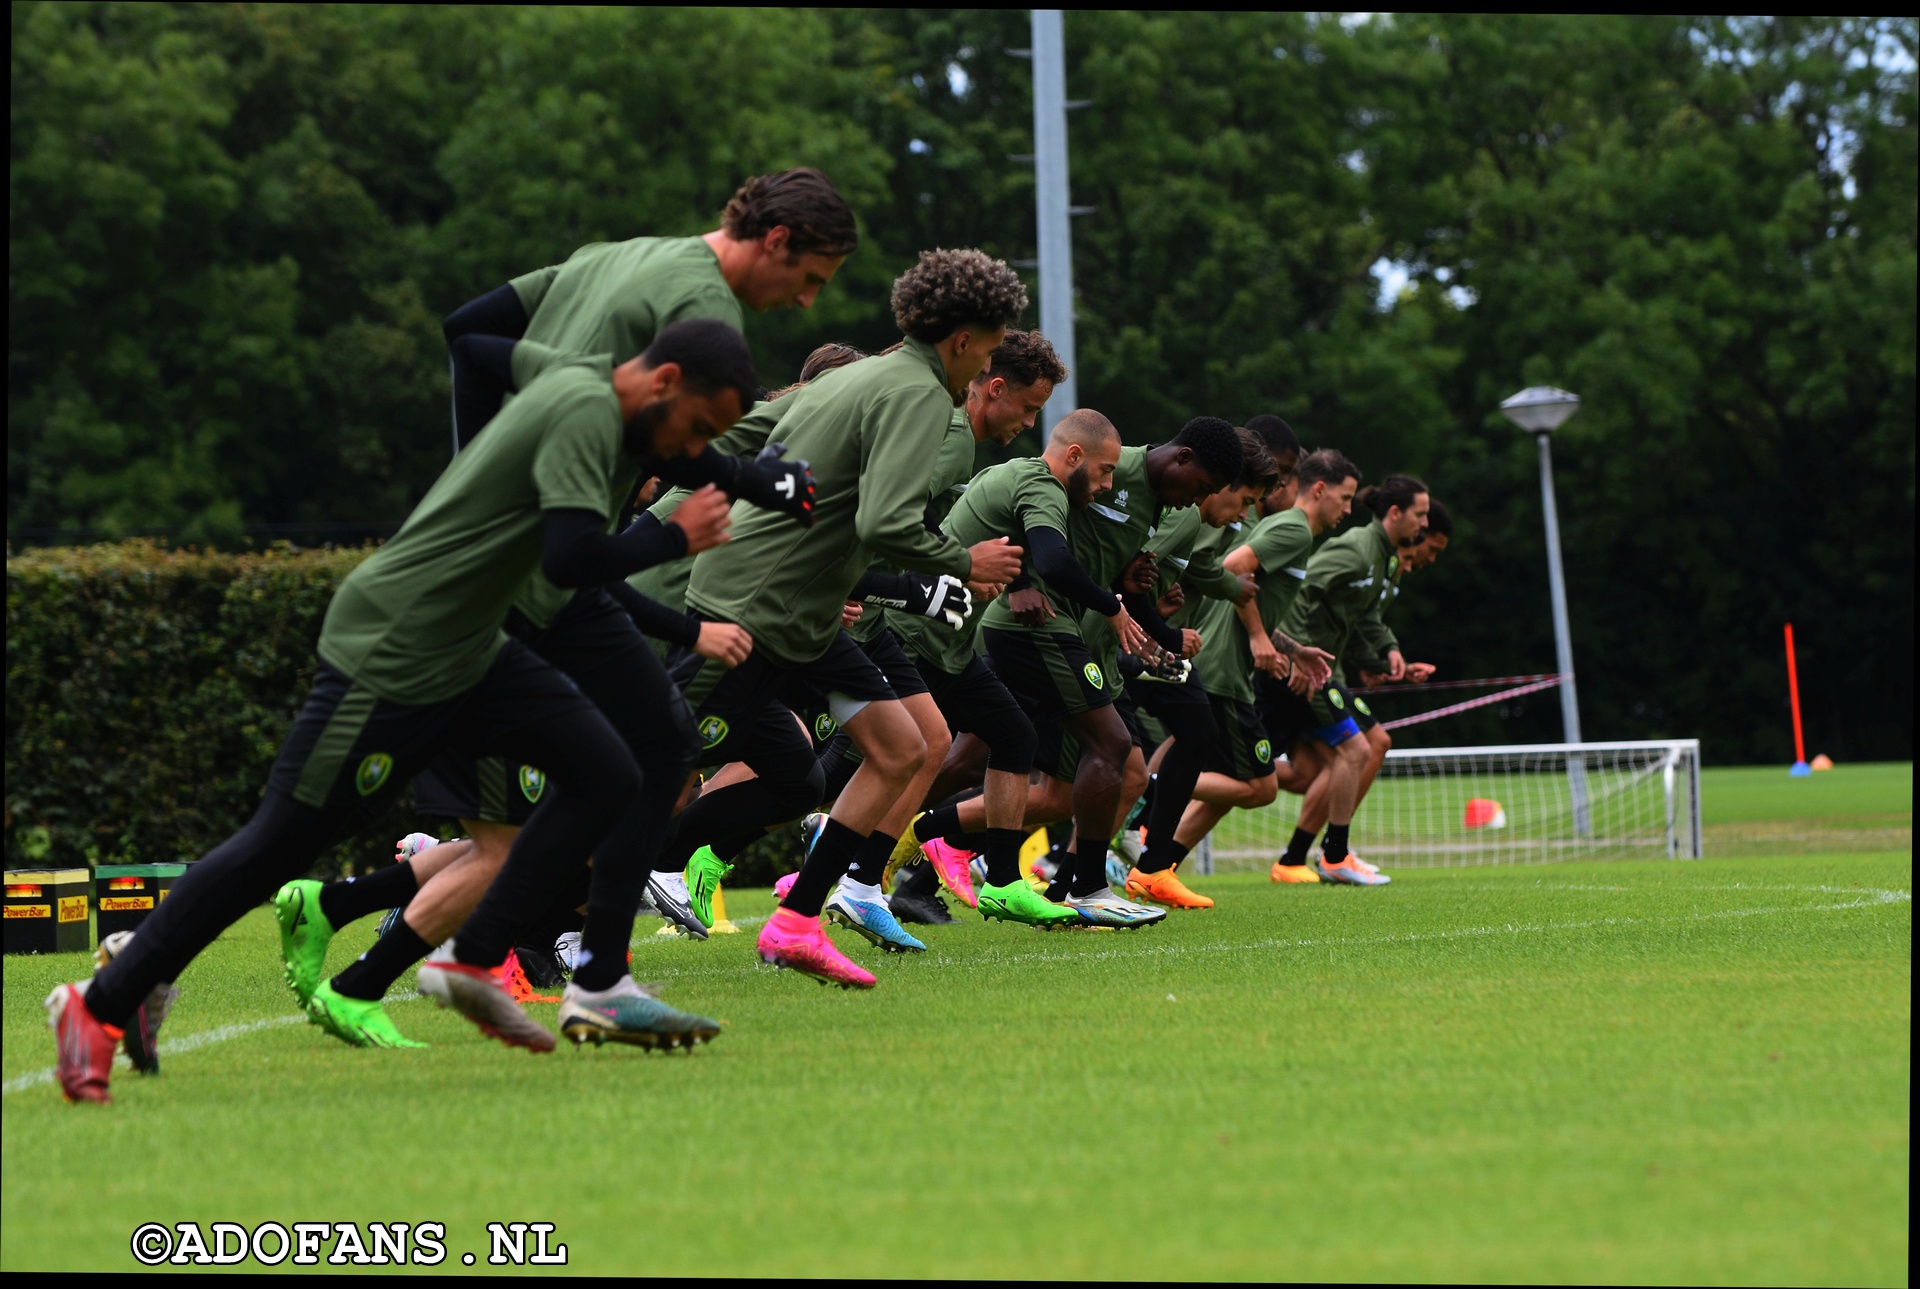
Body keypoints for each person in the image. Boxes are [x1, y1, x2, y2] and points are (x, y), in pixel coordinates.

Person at [46, 319, 760, 1102]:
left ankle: (471, 954)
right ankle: (99, 1005)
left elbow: (477, 347)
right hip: (397, 641)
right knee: (281, 840)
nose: (695, 452)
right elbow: (568, 560)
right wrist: (674, 538)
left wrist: (769, 479)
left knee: (609, 773)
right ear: (663, 382)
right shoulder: (586, 411)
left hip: (473, 645)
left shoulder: (590, 393)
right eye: (697, 428)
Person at [275, 334, 814, 1039]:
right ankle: (513, 956)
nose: (681, 459)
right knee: (561, 810)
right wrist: (688, 585)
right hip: (478, 643)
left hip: (521, 642)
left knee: (553, 815)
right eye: (693, 432)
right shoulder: (599, 444)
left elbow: (593, 582)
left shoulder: (619, 444)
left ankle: (378, 942)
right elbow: (582, 570)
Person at [659, 248, 1030, 988]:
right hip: (755, 605)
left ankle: (795, 920)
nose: (989, 363)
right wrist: (962, 565)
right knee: (640, 766)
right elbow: (888, 520)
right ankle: (514, 923)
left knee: (899, 746)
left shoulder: (871, 373)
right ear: (962, 341)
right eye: (990, 347)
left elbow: (752, 430)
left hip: (806, 609)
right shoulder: (920, 394)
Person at [975, 415, 1244, 926]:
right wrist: (1020, 581)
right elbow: (1025, 506)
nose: (1196, 502)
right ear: (1182, 458)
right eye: (1202, 488)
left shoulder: (1162, 503)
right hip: (1038, 622)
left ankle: (876, 850)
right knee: (1113, 748)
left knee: (976, 754)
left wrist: (1138, 594)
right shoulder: (1108, 467)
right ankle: (1087, 886)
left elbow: (1109, 573)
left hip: (1069, 630)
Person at [443, 168, 857, 451]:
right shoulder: (707, 307)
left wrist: (474, 463)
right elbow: (677, 447)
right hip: (534, 543)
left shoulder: (616, 253)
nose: (807, 301)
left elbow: (466, 327)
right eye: (810, 280)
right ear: (777, 240)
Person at [1161, 451, 1357, 881]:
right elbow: (1233, 568)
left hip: (1225, 667)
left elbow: (1254, 594)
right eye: (1344, 499)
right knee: (1260, 786)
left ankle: (1158, 866)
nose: (1347, 510)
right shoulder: (1294, 529)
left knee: (1228, 776)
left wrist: (1289, 647)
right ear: (1319, 490)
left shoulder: (1289, 529)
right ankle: (1147, 787)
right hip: (1225, 667)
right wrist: (1258, 637)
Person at [1274, 472, 1430, 885]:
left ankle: (1306, 856)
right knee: (1359, 749)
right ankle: (1333, 854)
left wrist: (1387, 653)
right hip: (1314, 669)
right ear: (1395, 513)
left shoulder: (1383, 558)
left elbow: (1361, 617)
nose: (1424, 525)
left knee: (1302, 772)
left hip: (1327, 669)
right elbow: (1300, 588)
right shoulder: (1358, 549)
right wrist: (1295, 653)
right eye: (1421, 514)